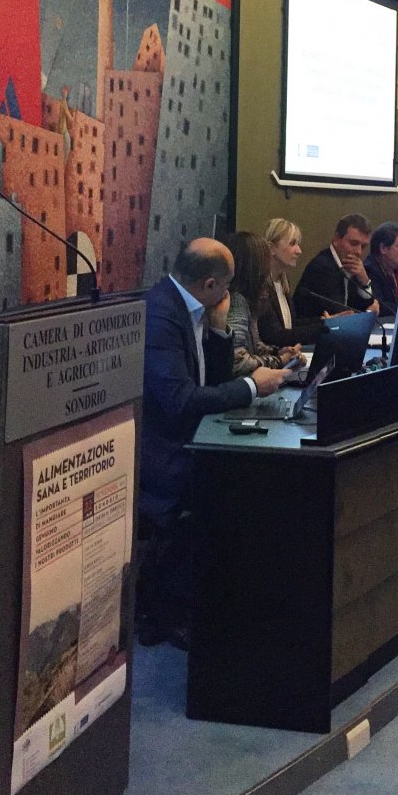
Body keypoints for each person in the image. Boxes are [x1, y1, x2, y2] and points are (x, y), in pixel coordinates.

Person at [137, 238, 290, 648]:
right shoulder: (161, 316)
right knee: (242, 484)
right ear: (209, 284)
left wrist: (220, 329)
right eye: (226, 287)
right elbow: (180, 400)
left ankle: (218, 599)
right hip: (163, 452)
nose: (229, 295)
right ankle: (177, 609)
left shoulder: (192, 307)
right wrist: (252, 387)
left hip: (188, 436)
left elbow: (213, 380)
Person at [222, 230, 300, 373]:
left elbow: (253, 345)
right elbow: (238, 361)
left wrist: (277, 352)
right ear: (255, 266)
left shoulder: (245, 298)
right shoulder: (237, 301)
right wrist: (280, 360)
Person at [255, 217, 326, 348]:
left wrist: (324, 321)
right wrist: (322, 327)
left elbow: (290, 325)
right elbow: (275, 336)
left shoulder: (283, 282)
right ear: (271, 248)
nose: (299, 251)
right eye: (292, 244)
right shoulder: (260, 287)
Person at [292, 213, 379, 318]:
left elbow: (366, 304)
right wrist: (368, 313)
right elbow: (340, 315)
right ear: (336, 239)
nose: (359, 252)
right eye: (353, 243)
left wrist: (364, 281)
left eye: (363, 246)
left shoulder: (351, 266)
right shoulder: (323, 267)